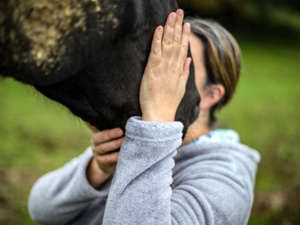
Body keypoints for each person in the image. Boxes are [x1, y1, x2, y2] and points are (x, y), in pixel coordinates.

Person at [28, 9, 260, 225]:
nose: (154, 72)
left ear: (211, 95)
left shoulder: (228, 182)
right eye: (157, 55)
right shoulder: (137, 135)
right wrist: (97, 170)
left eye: (175, 63)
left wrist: (157, 124)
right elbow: (40, 209)